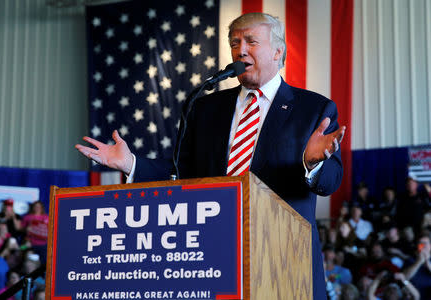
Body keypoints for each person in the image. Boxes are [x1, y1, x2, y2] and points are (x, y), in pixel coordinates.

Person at [76, 12, 346, 299]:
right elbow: (183, 172)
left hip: (283, 259)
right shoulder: (205, 107)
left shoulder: (313, 109)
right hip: (214, 256)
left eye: (251, 41)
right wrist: (131, 163)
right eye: (235, 42)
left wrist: (312, 163)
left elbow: (330, 182)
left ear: (278, 51)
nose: (240, 50)